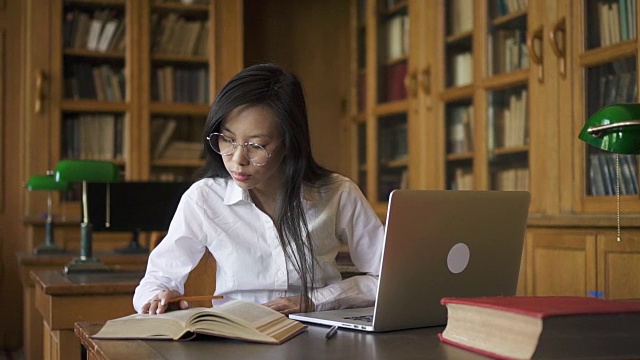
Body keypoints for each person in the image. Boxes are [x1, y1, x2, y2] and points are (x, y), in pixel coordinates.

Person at [133, 63, 384, 316]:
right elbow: (155, 281)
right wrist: (160, 300)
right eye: (227, 140)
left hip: (319, 334)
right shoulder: (205, 199)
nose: (237, 159)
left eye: (256, 145)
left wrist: (315, 300)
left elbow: (387, 279)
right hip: (237, 337)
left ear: (289, 143)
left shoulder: (336, 194)